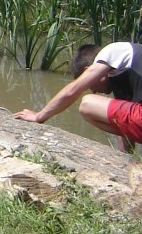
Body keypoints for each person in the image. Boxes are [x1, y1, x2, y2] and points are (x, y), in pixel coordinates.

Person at [14, 42, 142, 153]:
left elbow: (73, 90)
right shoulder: (126, 71)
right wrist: (124, 157)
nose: (93, 91)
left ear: (88, 70)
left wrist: (39, 116)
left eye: (89, 84)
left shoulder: (113, 51)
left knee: (87, 104)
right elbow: (125, 122)